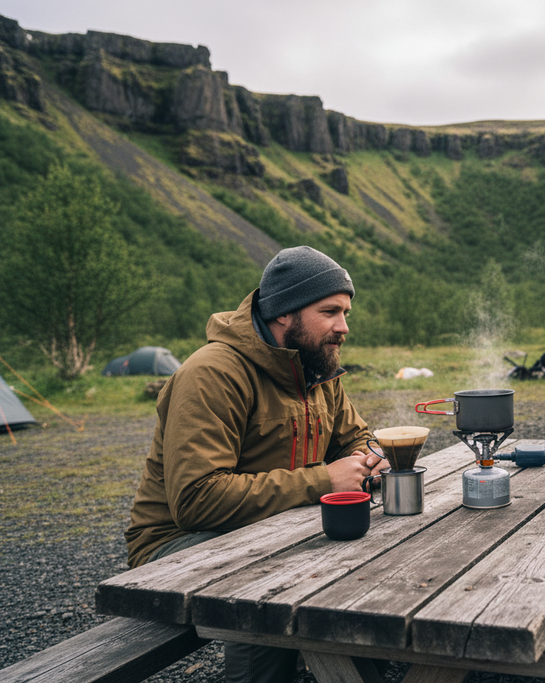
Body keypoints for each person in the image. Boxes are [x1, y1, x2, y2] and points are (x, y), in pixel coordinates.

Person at [125, 245, 385, 683]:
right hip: (175, 546)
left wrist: (370, 458)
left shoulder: (315, 367)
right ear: (284, 312)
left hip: (272, 524)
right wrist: (324, 479)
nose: (343, 327)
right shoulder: (212, 374)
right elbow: (196, 500)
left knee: (366, 553)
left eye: (345, 312)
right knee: (268, 579)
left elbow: (357, 437)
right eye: (330, 312)